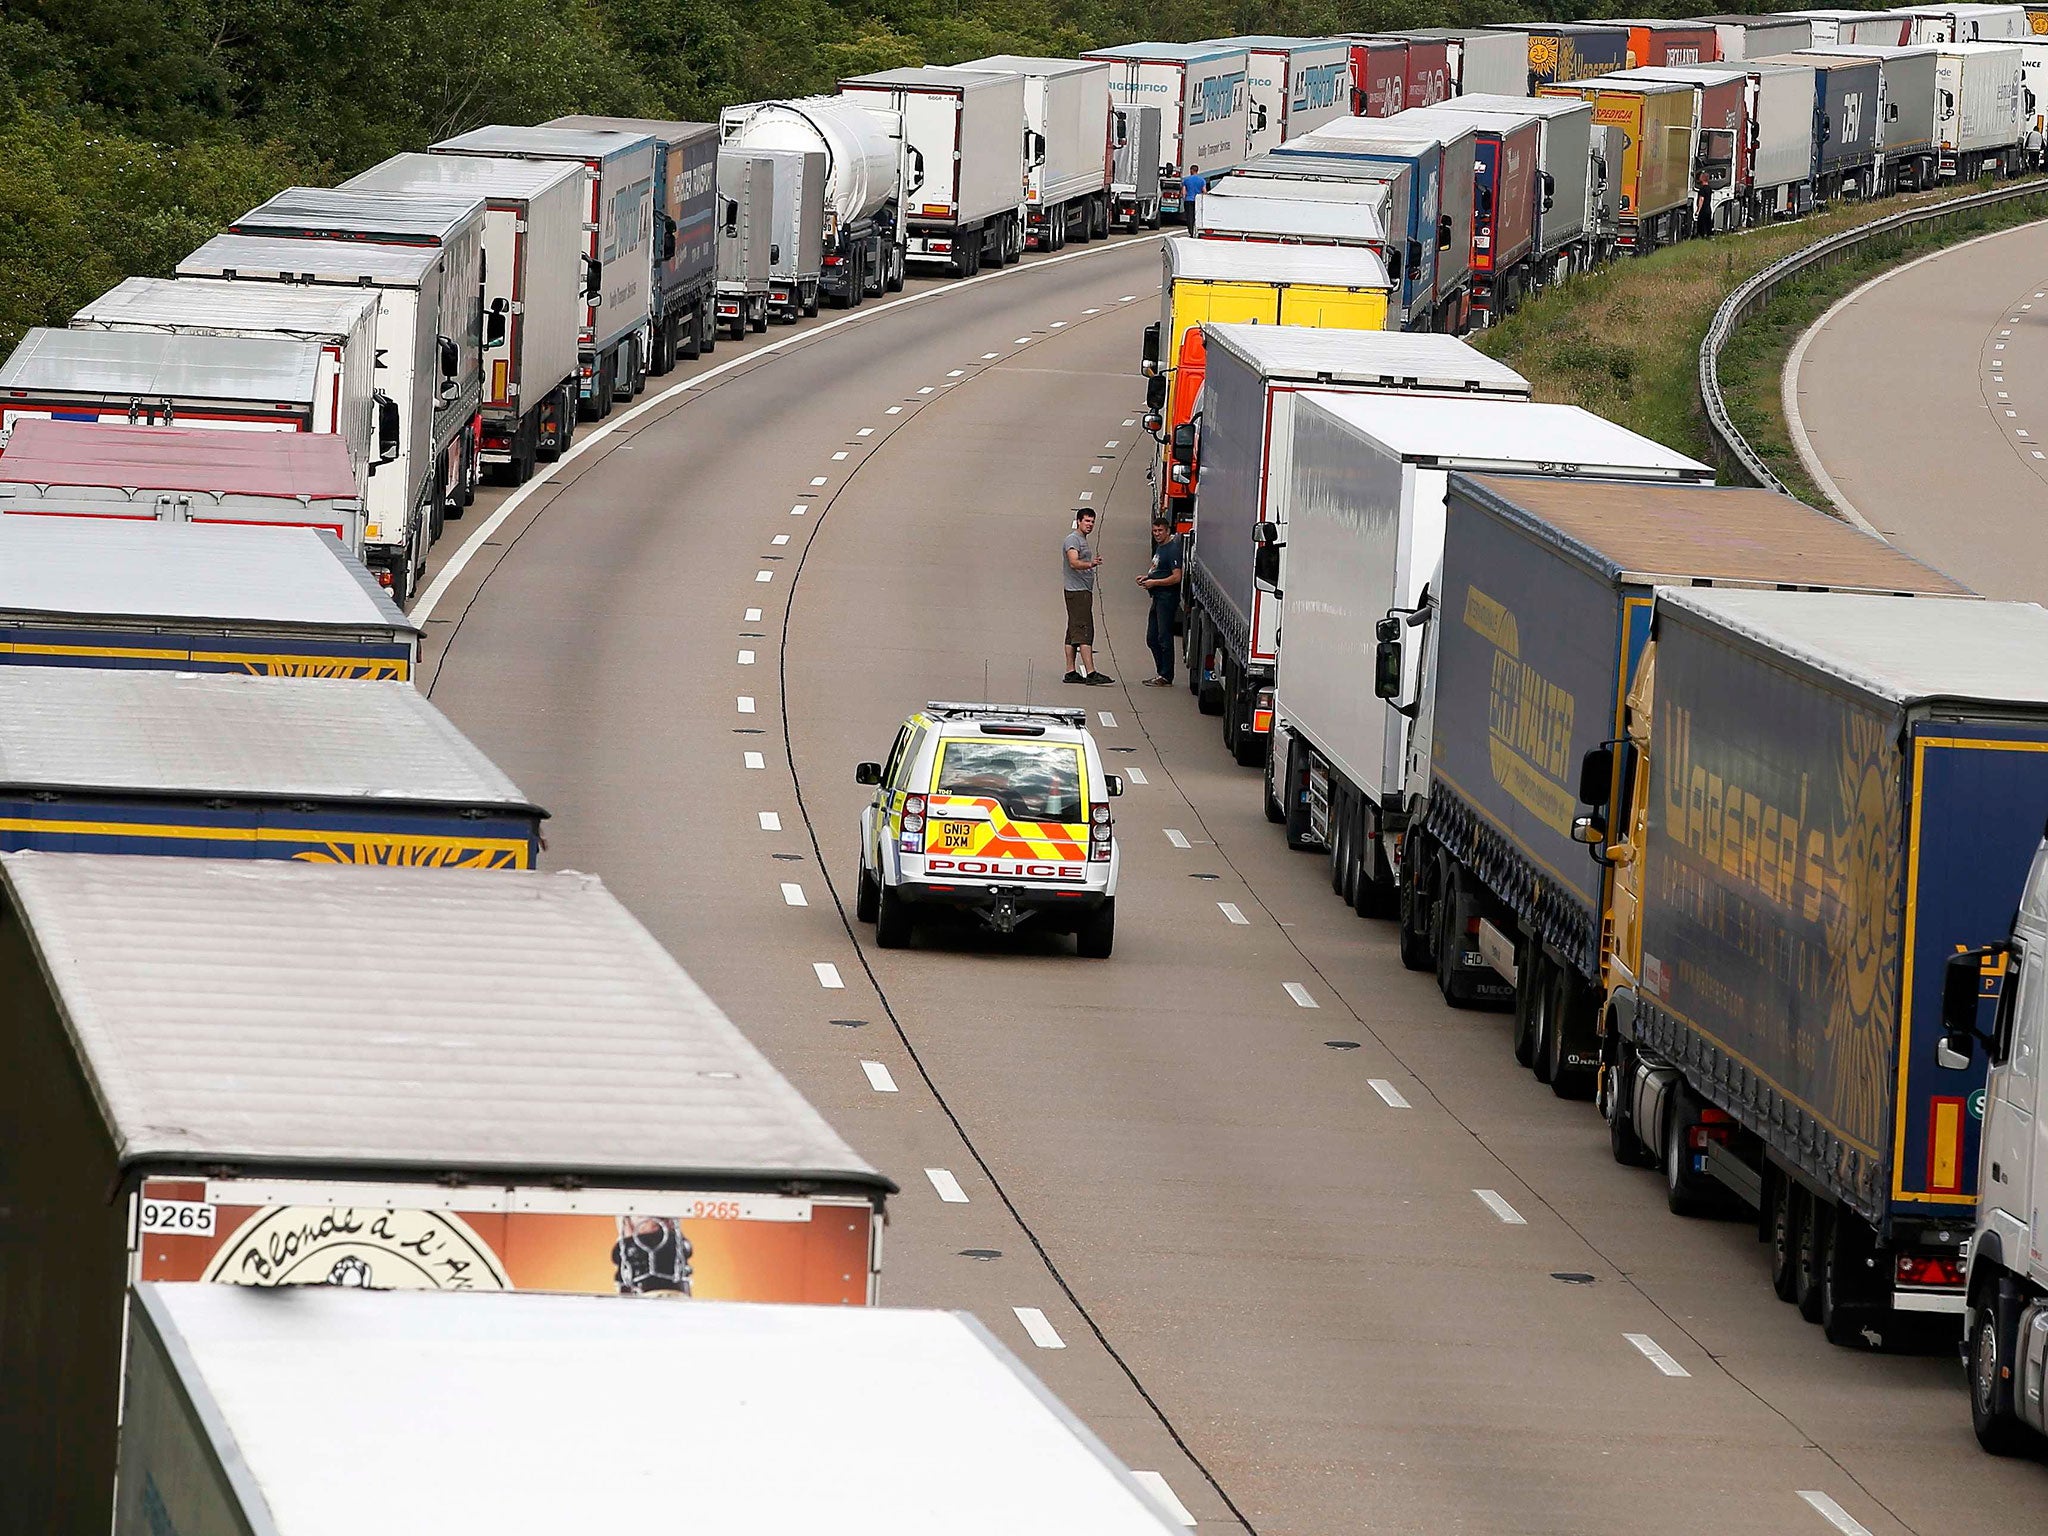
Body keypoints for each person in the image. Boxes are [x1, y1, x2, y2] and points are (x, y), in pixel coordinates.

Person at [1062, 509, 1113, 685]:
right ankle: (1091, 673)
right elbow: (1073, 562)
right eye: (1086, 521)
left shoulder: (1081, 539)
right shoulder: (1073, 539)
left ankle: (1070, 672)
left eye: (1092, 521)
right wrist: (1091, 564)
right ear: (1078, 521)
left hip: (1079, 591)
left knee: (1072, 632)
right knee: (1084, 631)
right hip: (1077, 592)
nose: (1090, 524)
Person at [1137, 519, 1184, 686]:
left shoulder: (1172, 550)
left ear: (1167, 530)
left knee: (1164, 637)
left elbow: (1176, 577)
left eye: (1160, 531)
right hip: (1157, 597)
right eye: (1154, 531)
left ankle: (1166, 675)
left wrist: (1155, 583)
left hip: (1167, 598)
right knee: (1152, 638)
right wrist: (1147, 577)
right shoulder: (1160, 547)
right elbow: (1157, 569)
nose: (1157, 534)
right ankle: (1160, 672)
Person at [1181, 164, 1207, 229]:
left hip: (1189, 200)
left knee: (1189, 216)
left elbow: (1183, 192)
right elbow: (1204, 191)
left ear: (1191, 170)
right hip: (1197, 200)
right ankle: (1196, 229)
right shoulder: (1202, 180)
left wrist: (1184, 198)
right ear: (1197, 171)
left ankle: (1191, 230)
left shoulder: (1186, 180)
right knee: (1197, 216)